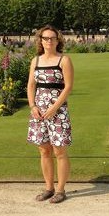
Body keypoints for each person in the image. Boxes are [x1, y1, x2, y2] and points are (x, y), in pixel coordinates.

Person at [27, 25, 74, 204]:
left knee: (59, 150)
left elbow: (68, 87)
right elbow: (31, 85)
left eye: (52, 38)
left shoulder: (64, 60)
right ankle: (49, 188)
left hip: (58, 111)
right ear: (40, 41)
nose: (49, 41)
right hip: (39, 112)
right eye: (45, 38)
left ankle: (60, 190)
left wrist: (54, 108)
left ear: (57, 40)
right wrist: (33, 106)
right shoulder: (36, 61)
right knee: (44, 150)